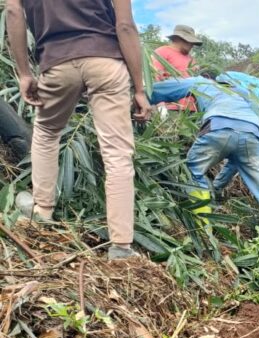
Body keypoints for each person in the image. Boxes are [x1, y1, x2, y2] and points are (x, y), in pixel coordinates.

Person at [6, 0, 152, 260]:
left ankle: (42, 211)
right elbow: (126, 26)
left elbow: (14, 11)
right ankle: (121, 247)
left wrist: (24, 73)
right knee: (117, 152)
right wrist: (139, 89)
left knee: (48, 132)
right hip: (105, 61)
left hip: (56, 62)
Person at [150, 76, 259, 218]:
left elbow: (165, 88)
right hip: (252, 132)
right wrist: (216, 188)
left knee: (192, 170)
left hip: (218, 126)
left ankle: (202, 223)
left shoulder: (202, 82)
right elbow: (235, 162)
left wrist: (140, 94)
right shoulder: (243, 92)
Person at [152, 24, 202, 111]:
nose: (192, 45)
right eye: (190, 42)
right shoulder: (162, 52)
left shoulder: (191, 59)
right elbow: (155, 78)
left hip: (190, 109)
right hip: (171, 108)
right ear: (178, 39)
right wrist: (161, 106)